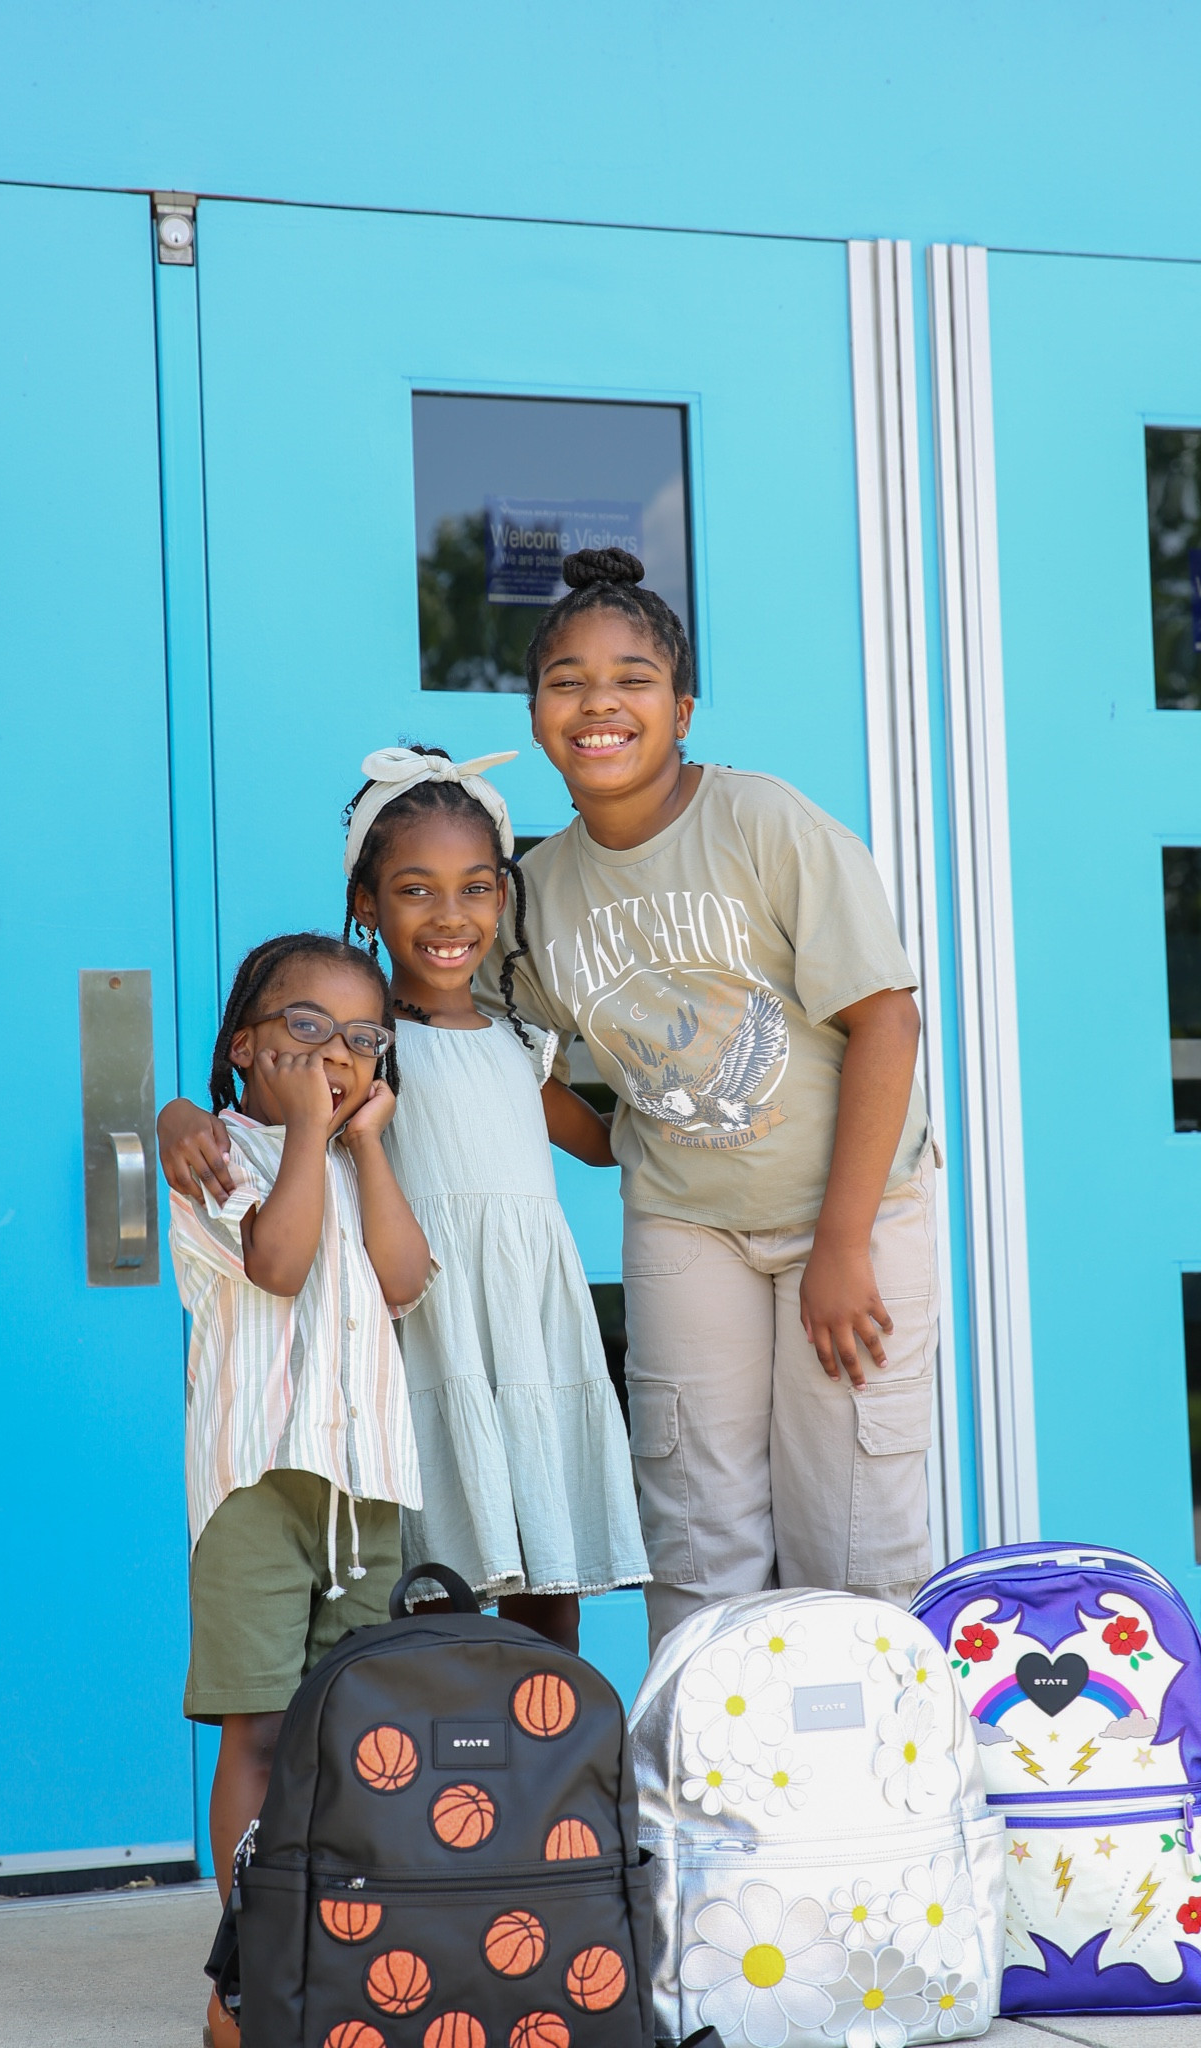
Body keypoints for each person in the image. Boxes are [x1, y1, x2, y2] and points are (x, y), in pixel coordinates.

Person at [481, 547, 937, 1650]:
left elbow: (887, 1021)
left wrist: (841, 1243)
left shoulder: (762, 823)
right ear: (538, 712)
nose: (600, 702)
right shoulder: (536, 890)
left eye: (633, 677)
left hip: (855, 1213)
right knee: (695, 1530)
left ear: (681, 707)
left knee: (853, 1533)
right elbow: (500, 1045)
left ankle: (869, 1808)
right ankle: (707, 1799)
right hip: (687, 1222)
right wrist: (605, 1142)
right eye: (567, 680)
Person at [160, 750, 648, 1655]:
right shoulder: (360, 1042)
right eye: (416, 890)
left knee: (548, 1589)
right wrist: (175, 1112)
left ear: (503, 899)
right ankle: (435, 1776)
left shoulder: (519, 1041)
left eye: (474, 889)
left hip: (525, 1328)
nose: (450, 916)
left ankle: (545, 1772)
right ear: (365, 905)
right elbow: (256, 1102)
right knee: (434, 1593)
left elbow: (609, 1141)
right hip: (420, 1327)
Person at [164, 930, 430, 2045]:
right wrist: (313, 1128)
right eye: (306, 1028)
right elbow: (275, 1262)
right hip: (257, 1488)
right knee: (261, 1734)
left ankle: (341, 1947)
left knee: (350, 1735)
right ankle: (252, 1970)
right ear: (244, 1047)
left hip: (363, 1490)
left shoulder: (362, 1157)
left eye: (360, 1037)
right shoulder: (216, 1154)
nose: (334, 1052)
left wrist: (362, 1147)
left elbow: (406, 1279)